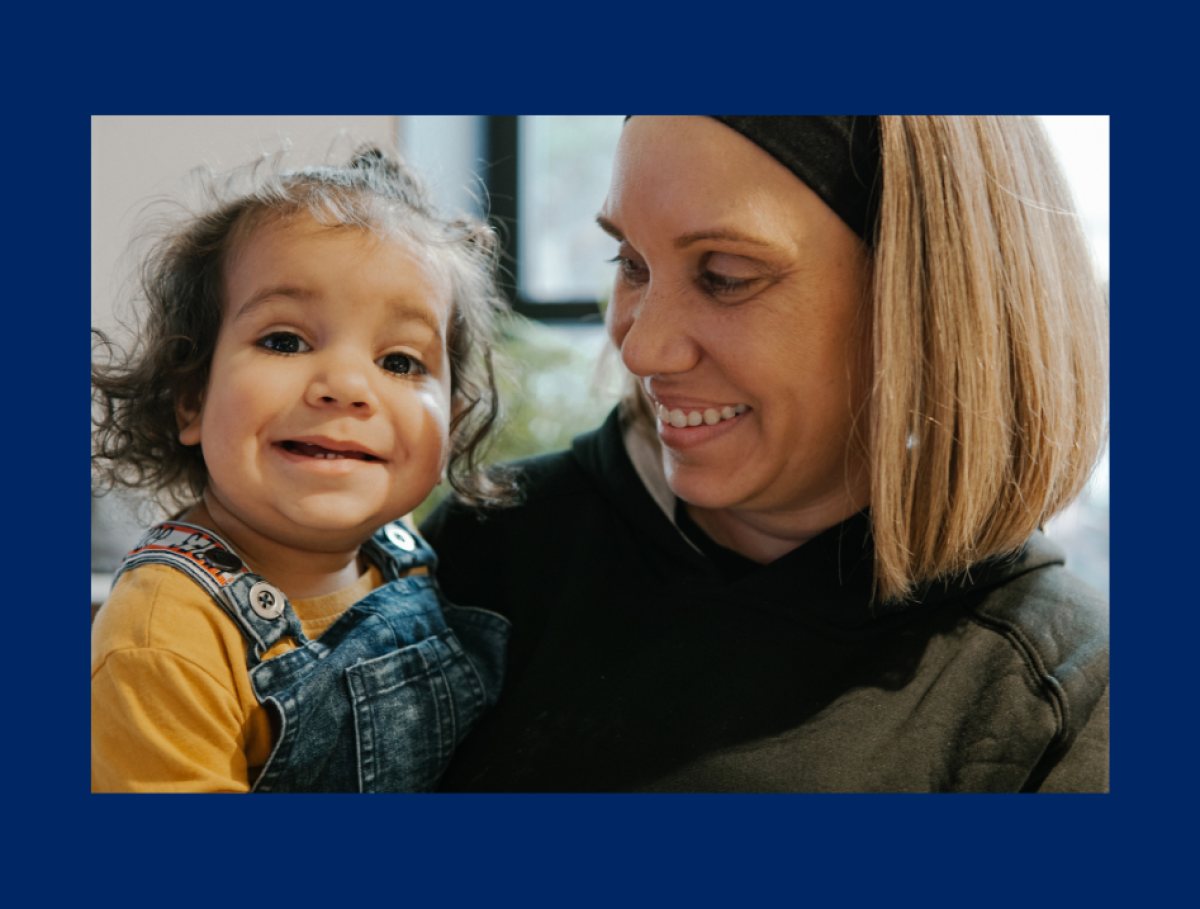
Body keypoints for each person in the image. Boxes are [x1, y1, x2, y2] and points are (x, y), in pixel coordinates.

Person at [421, 116, 1109, 792]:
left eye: (724, 275)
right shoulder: (493, 547)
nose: (641, 350)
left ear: (925, 300)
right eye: (631, 264)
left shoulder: (1055, 695)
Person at [91, 148, 514, 792]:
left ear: (450, 425)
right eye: (284, 340)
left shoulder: (405, 556)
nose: (345, 386)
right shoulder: (163, 635)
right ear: (191, 397)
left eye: (401, 361)